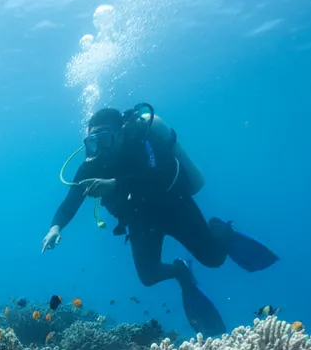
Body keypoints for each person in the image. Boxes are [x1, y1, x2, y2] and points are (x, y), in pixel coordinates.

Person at [42, 104, 278, 336]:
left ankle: (221, 231)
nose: (99, 148)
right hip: (140, 221)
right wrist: (56, 227)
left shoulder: (143, 143)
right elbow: (72, 199)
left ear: (121, 133)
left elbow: (161, 173)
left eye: (104, 139)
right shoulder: (92, 165)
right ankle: (180, 272)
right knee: (148, 275)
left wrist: (115, 184)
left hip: (174, 207)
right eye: (92, 142)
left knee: (215, 259)